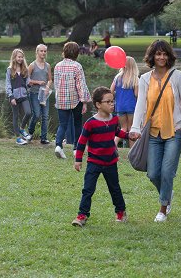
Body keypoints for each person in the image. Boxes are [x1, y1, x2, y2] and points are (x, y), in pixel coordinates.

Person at [130, 39, 181, 223]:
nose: (161, 57)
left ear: (169, 56)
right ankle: (167, 192)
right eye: (158, 54)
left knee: (167, 172)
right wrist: (135, 127)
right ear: (152, 56)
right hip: (153, 132)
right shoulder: (144, 79)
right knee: (153, 174)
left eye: (164, 54)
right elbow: (141, 105)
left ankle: (163, 208)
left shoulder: (178, 76)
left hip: (175, 131)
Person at [72, 87, 132, 227]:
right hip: (94, 162)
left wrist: (129, 135)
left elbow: (117, 132)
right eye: (108, 102)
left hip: (110, 162)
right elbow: (81, 142)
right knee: (88, 189)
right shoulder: (90, 123)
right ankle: (82, 216)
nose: (112, 104)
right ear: (98, 104)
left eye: (113, 101)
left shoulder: (114, 119)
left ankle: (121, 212)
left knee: (114, 188)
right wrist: (78, 159)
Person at [54, 42, 91, 159]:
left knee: (62, 125)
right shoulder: (77, 66)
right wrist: (84, 101)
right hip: (75, 100)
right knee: (77, 124)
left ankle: (58, 146)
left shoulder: (57, 66)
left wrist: (58, 97)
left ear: (64, 51)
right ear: (76, 53)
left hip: (61, 100)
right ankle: (76, 149)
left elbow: (56, 84)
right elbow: (81, 85)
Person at [110, 56, 139, 147]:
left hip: (119, 106)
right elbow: (136, 94)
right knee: (131, 128)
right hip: (131, 106)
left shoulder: (117, 77)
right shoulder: (135, 79)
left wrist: (118, 93)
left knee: (123, 128)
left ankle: (114, 143)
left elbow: (110, 91)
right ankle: (132, 149)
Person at [5, 48, 32, 145]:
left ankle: (21, 128)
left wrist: (30, 84)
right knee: (15, 116)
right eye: (19, 57)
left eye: (22, 57)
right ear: (14, 57)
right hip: (14, 97)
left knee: (28, 112)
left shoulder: (25, 69)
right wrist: (11, 97)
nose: (20, 59)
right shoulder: (9, 70)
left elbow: (28, 82)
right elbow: (8, 84)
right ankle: (18, 138)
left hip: (24, 95)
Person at [27, 44, 52, 144]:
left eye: (45, 51)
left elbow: (50, 79)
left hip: (44, 94)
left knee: (45, 116)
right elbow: (27, 81)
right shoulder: (32, 65)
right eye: (41, 51)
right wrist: (38, 82)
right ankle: (30, 132)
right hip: (34, 93)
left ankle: (43, 138)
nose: (43, 53)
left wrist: (47, 87)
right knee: (37, 114)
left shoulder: (48, 66)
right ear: (37, 52)